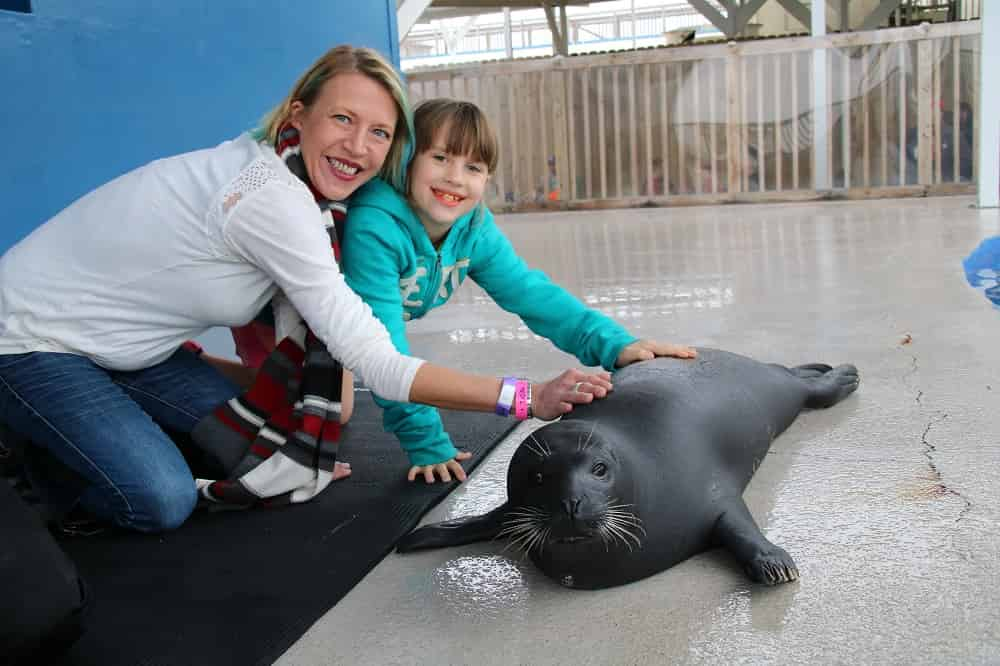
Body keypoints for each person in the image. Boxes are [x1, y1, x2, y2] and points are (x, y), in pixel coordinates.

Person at [0, 46, 612, 534]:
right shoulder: (273, 200)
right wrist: (523, 397)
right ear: (298, 114)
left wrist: (297, 438)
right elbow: (379, 361)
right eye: (342, 119)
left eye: (378, 132)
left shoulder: (308, 195)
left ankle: (102, 416)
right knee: (159, 500)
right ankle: (30, 458)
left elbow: (525, 291)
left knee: (247, 444)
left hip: (127, 353)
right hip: (28, 338)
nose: (357, 146)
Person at [340, 98, 697, 484]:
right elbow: (388, 354)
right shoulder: (374, 227)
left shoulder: (473, 227)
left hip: (356, 333)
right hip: (309, 326)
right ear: (407, 159)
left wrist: (617, 345)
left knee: (341, 411)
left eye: (473, 167)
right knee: (326, 416)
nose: (456, 177)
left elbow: (532, 295)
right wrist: (424, 439)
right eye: (441, 157)